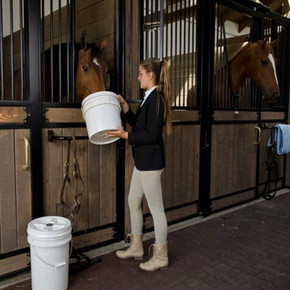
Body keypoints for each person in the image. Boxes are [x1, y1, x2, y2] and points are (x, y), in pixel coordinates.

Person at [106, 58, 172, 271]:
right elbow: (142, 126)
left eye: (141, 73)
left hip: (151, 163)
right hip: (143, 162)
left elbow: (152, 135)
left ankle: (161, 256)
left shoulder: (157, 99)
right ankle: (136, 247)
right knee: (134, 201)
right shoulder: (149, 98)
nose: (138, 77)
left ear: (150, 76)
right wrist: (126, 109)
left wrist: (126, 135)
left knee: (156, 210)